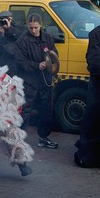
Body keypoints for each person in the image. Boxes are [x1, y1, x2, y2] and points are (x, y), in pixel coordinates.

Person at [15, 13, 59, 149]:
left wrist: (50, 62)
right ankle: (19, 139)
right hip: (29, 81)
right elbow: (20, 61)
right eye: (31, 28)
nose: (33, 30)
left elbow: (55, 55)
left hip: (45, 80)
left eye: (36, 27)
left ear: (41, 25)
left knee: (45, 110)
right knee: (25, 111)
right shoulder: (22, 40)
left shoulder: (48, 38)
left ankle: (44, 138)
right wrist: (36, 65)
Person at [74, 25, 100, 167]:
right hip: (98, 86)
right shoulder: (96, 34)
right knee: (93, 118)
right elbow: (95, 62)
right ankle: (88, 154)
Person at [0, 10, 24, 76]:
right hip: (4, 67)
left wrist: (10, 29)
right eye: (0, 21)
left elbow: (22, 40)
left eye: (4, 20)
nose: (3, 23)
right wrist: (1, 36)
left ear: (10, 19)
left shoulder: (19, 29)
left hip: (17, 66)